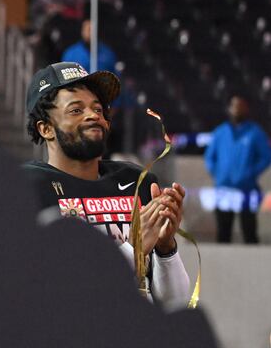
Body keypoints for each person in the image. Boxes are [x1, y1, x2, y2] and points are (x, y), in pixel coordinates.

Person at [21, 62, 190, 308]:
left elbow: (175, 304)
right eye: (76, 110)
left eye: (98, 109)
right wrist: (133, 248)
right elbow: (55, 290)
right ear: (46, 128)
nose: (93, 116)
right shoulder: (27, 188)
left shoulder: (136, 181)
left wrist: (166, 249)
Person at [204, 94, 271, 243]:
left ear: (246, 109)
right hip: (223, 190)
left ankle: (253, 264)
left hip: (246, 190)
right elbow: (209, 157)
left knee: (250, 232)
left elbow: (266, 157)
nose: (237, 109)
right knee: (223, 233)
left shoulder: (255, 132)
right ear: (229, 108)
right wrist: (218, 174)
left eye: (241, 106)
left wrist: (250, 173)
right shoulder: (220, 132)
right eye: (235, 106)